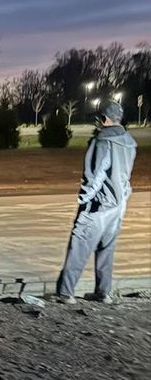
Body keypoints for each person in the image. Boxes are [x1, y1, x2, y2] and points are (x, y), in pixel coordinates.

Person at [56, 99, 136, 304]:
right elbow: (125, 175)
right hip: (118, 205)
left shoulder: (102, 141)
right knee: (106, 249)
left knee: (79, 246)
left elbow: (95, 175)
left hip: (98, 205)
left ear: (103, 119)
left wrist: (84, 200)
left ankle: (66, 293)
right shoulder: (129, 142)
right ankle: (103, 293)